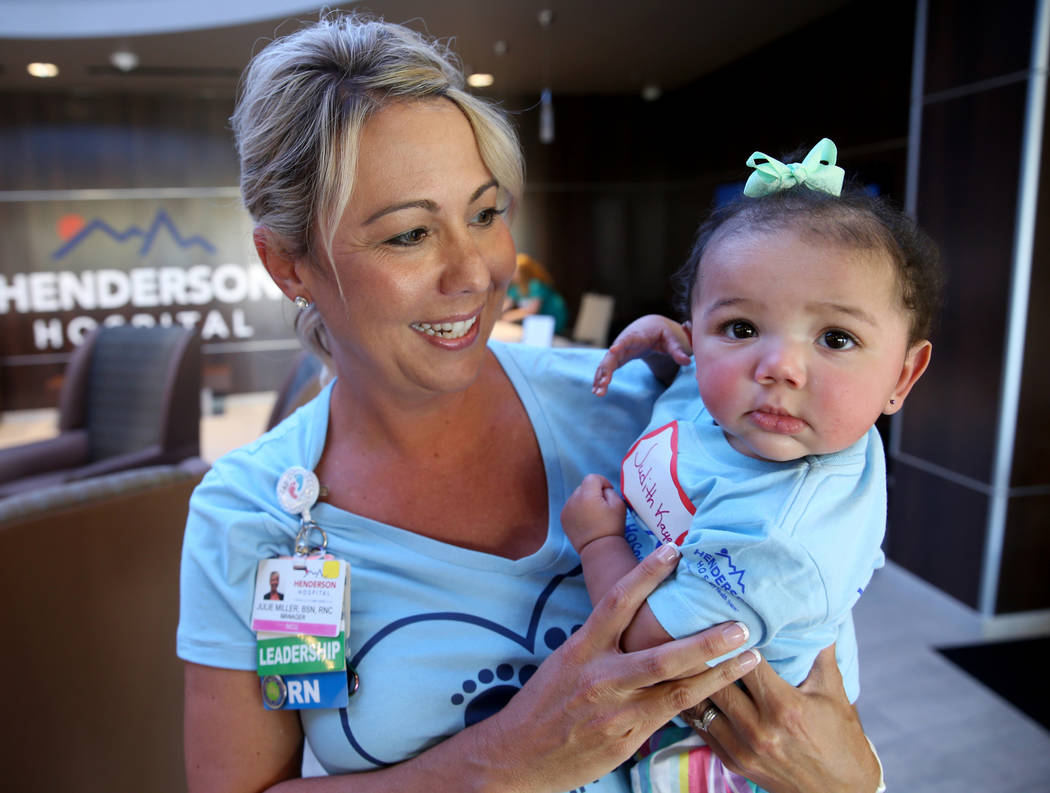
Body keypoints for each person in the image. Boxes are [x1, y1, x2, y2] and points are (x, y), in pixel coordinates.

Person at [176, 14, 886, 793]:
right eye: (410, 235)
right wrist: (506, 758)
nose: (475, 272)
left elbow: (813, 669)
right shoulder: (253, 518)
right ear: (289, 265)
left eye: (485, 214)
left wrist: (855, 781)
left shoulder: (642, 402)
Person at [562, 139, 942, 792]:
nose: (778, 367)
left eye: (835, 338)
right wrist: (667, 354)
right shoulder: (735, 403)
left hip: (713, 749)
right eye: (740, 327)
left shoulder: (782, 534)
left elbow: (647, 650)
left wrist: (598, 539)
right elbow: (690, 389)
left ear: (901, 375)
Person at [502, 252, 570, 334]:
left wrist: (509, 316)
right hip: (538, 322)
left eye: (515, 271)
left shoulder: (536, 285)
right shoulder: (515, 287)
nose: (512, 274)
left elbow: (533, 310)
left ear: (525, 272)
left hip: (552, 320)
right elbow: (505, 305)